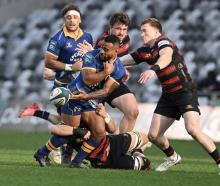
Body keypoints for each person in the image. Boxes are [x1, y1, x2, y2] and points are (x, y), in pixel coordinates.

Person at [120, 18, 220, 172]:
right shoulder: (145, 51)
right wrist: (106, 61)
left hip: (184, 90)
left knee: (192, 129)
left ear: (156, 32)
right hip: (168, 95)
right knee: (153, 136)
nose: (141, 34)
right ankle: (173, 157)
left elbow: (166, 56)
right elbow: (125, 60)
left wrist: (153, 69)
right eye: (141, 31)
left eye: (144, 30)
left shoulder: (163, 41)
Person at [34, 35, 126, 168]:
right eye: (101, 48)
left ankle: (76, 162)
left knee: (99, 133)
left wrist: (88, 97)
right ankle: (42, 153)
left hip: (90, 101)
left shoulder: (119, 70)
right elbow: (88, 79)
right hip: (74, 97)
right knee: (74, 133)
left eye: (106, 50)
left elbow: (106, 91)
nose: (102, 51)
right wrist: (106, 72)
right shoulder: (90, 56)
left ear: (115, 51)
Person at [19, 3, 93, 120]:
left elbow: (89, 60)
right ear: (64, 20)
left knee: (74, 124)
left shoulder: (88, 37)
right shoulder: (57, 39)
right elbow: (48, 62)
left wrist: (91, 54)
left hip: (82, 85)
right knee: (70, 125)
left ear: (80, 20)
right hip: (64, 87)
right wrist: (71, 67)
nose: (72, 20)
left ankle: (36, 111)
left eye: (75, 17)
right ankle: (36, 112)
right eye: (68, 17)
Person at [35, 103, 151, 170]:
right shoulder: (70, 124)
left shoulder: (93, 113)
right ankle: (45, 155)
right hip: (105, 162)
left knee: (145, 139)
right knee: (144, 164)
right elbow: (55, 129)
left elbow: (112, 129)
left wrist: (105, 115)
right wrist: (78, 131)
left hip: (114, 143)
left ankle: (137, 150)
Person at [76, 12, 139, 133]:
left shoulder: (125, 40)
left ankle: (122, 147)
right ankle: (67, 143)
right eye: (118, 28)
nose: (121, 32)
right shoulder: (103, 42)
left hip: (112, 81)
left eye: (125, 29)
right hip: (95, 83)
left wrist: (122, 68)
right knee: (93, 128)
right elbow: (100, 60)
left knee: (132, 111)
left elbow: (114, 59)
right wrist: (92, 51)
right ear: (110, 28)